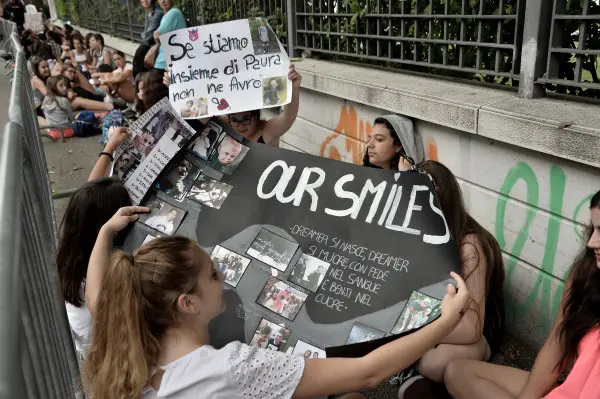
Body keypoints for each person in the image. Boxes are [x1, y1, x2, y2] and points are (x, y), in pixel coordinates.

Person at [83, 203, 471, 399]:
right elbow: (367, 373)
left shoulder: (130, 347)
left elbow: (100, 297)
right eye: (213, 275)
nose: (224, 278)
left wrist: (104, 235)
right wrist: (444, 321)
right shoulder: (229, 370)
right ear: (188, 304)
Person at [444, 190, 600, 399]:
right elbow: (556, 342)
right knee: (457, 372)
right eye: (594, 229)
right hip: (571, 388)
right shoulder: (586, 272)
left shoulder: (472, 245)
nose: (591, 242)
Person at [395, 160, 506, 398]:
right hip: (432, 329)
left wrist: (409, 334)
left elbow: (472, 329)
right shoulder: (417, 233)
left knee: (435, 363)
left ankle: (416, 372)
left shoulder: (469, 246)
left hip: (468, 338)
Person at [55, 178, 134, 360]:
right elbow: (100, 307)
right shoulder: (107, 268)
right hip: (110, 357)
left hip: (92, 349)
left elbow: (90, 199)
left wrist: (109, 150)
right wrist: (107, 232)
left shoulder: (72, 250)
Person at [152, 0, 186, 73]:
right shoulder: (168, 14)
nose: (162, 1)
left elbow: (156, 35)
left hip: (165, 63)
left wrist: (159, 37)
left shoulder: (173, 13)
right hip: (169, 61)